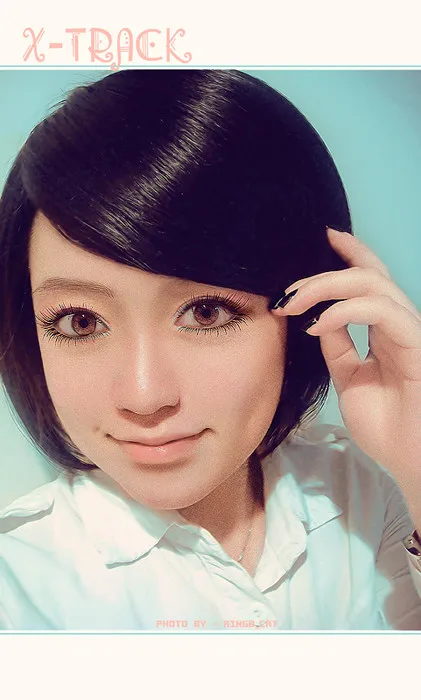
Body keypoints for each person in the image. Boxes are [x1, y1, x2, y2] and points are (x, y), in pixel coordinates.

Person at [0, 68, 420, 631]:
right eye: (81, 321)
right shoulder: (18, 588)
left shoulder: (374, 496)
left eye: (205, 313)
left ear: (306, 306)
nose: (144, 396)